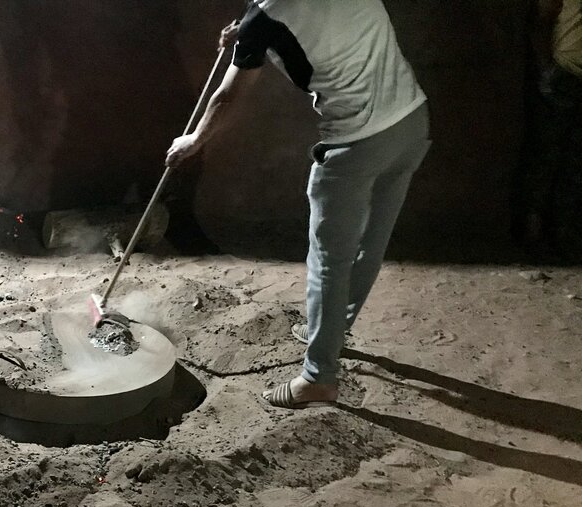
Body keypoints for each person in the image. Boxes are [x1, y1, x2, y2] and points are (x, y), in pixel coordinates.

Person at [166, 0, 430, 409]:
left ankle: (318, 378)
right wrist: (250, 37)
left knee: (329, 261)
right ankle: (329, 331)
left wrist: (195, 140)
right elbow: (324, 22)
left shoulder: (265, 18)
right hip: (411, 121)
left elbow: (226, 97)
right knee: (370, 243)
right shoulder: (262, 21)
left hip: (356, 142)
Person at [514, 0, 582, 255]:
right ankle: (532, 231)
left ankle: (562, 233)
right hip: (566, 75)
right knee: (546, 153)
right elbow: (541, 23)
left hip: (567, 75)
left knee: (574, 161)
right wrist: (547, 71)